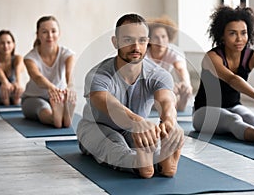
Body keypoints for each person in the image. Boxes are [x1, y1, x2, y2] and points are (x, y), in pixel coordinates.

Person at [77, 13, 184, 179]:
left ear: (147, 42)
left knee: (151, 145)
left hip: (136, 131)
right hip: (97, 126)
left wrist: (170, 121)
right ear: (115, 42)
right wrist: (137, 121)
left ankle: (162, 162)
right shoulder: (98, 75)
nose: (136, 46)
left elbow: (166, 101)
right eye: (128, 40)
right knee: (113, 146)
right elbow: (109, 104)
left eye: (142, 40)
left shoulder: (158, 74)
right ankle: (141, 165)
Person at [193, 6, 254, 146]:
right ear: (222, 35)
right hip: (203, 112)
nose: (239, 39)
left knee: (251, 118)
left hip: (234, 105)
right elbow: (232, 79)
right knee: (233, 119)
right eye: (233, 33)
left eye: (243, 33)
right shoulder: (212, 57)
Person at [21, 16, 76, 128]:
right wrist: (52, 88)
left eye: (53, 31)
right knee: (42, 106)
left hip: (59, 97)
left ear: (59, 33)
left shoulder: (67, 54)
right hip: (34, 98)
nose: (50, 36)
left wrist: (70, 87)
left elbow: (69, 74)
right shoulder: (30, 57)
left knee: (66, 98)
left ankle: (64, 117)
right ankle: (54, 118)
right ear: (38, 35)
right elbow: (37, 77)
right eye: (45, 32)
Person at [146, 16, 193, 111]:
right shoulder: (143, 53)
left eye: (163, 37)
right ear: (149, 39)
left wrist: (186, 85)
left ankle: (177, 102)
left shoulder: (173, 51)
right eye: (156, 37)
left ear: (168, 38)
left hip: (161, 87)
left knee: (172, 95)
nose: (160, 41)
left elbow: (180, 69)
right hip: (146, 87)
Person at [0, 30, 24, 105]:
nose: (5, 46)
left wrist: (17, 83)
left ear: (13, 45)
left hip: (13, 92)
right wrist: (5, 83)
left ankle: (15, 103)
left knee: (20, 92)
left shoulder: (17, 58)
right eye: (2, 43)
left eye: (8, 42)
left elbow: (18, 69)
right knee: (1, 91)